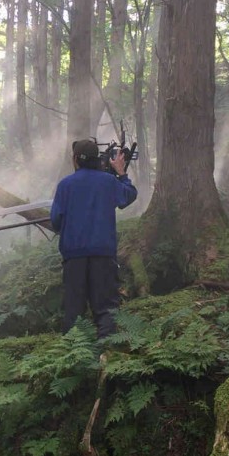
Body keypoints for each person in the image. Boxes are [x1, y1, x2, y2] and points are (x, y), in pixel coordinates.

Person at [49, 139, 137, 339]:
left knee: (74, 310)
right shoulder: (108, 182)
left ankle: (74, 355)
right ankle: (106, 353)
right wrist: (122, 173)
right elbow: (129, 196)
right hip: (103, 254)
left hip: (74, 256)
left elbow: (55, 220)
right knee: (106, 308)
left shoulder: (65, 185)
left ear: (75, 159)